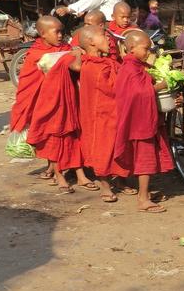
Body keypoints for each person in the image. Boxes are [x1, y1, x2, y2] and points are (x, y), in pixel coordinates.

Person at [21, 17, 93, 194]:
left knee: (74, 134)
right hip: (49, 103)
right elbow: (29, 82)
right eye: (56, 32)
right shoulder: (35, 53)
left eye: (62, 31)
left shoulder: (67, 49)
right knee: (54, 137)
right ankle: (59, 174)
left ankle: (80, 173)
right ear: (43, 34)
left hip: (69, 100)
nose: (61, 35)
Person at [113, 29, 174, 213]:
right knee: (144, 160)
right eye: (146, 49)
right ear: (131, 48)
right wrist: (160, 85)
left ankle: (145, 194)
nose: (149, 52)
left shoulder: (137, 66)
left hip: (142, 119)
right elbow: (138, 93)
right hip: (139, 123)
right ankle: (143, 199)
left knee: (146, 158)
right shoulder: (130, 68)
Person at [76, 26, 129, 203]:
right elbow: (113, 88)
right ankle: (105, 185)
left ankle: (121, 179)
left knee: (119, 145)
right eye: (103, 36)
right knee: (103, 148)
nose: (108, 39)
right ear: (91, 42)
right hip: (100, 116)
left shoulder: (106, 62)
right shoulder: (92, 67)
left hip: (114, 112)